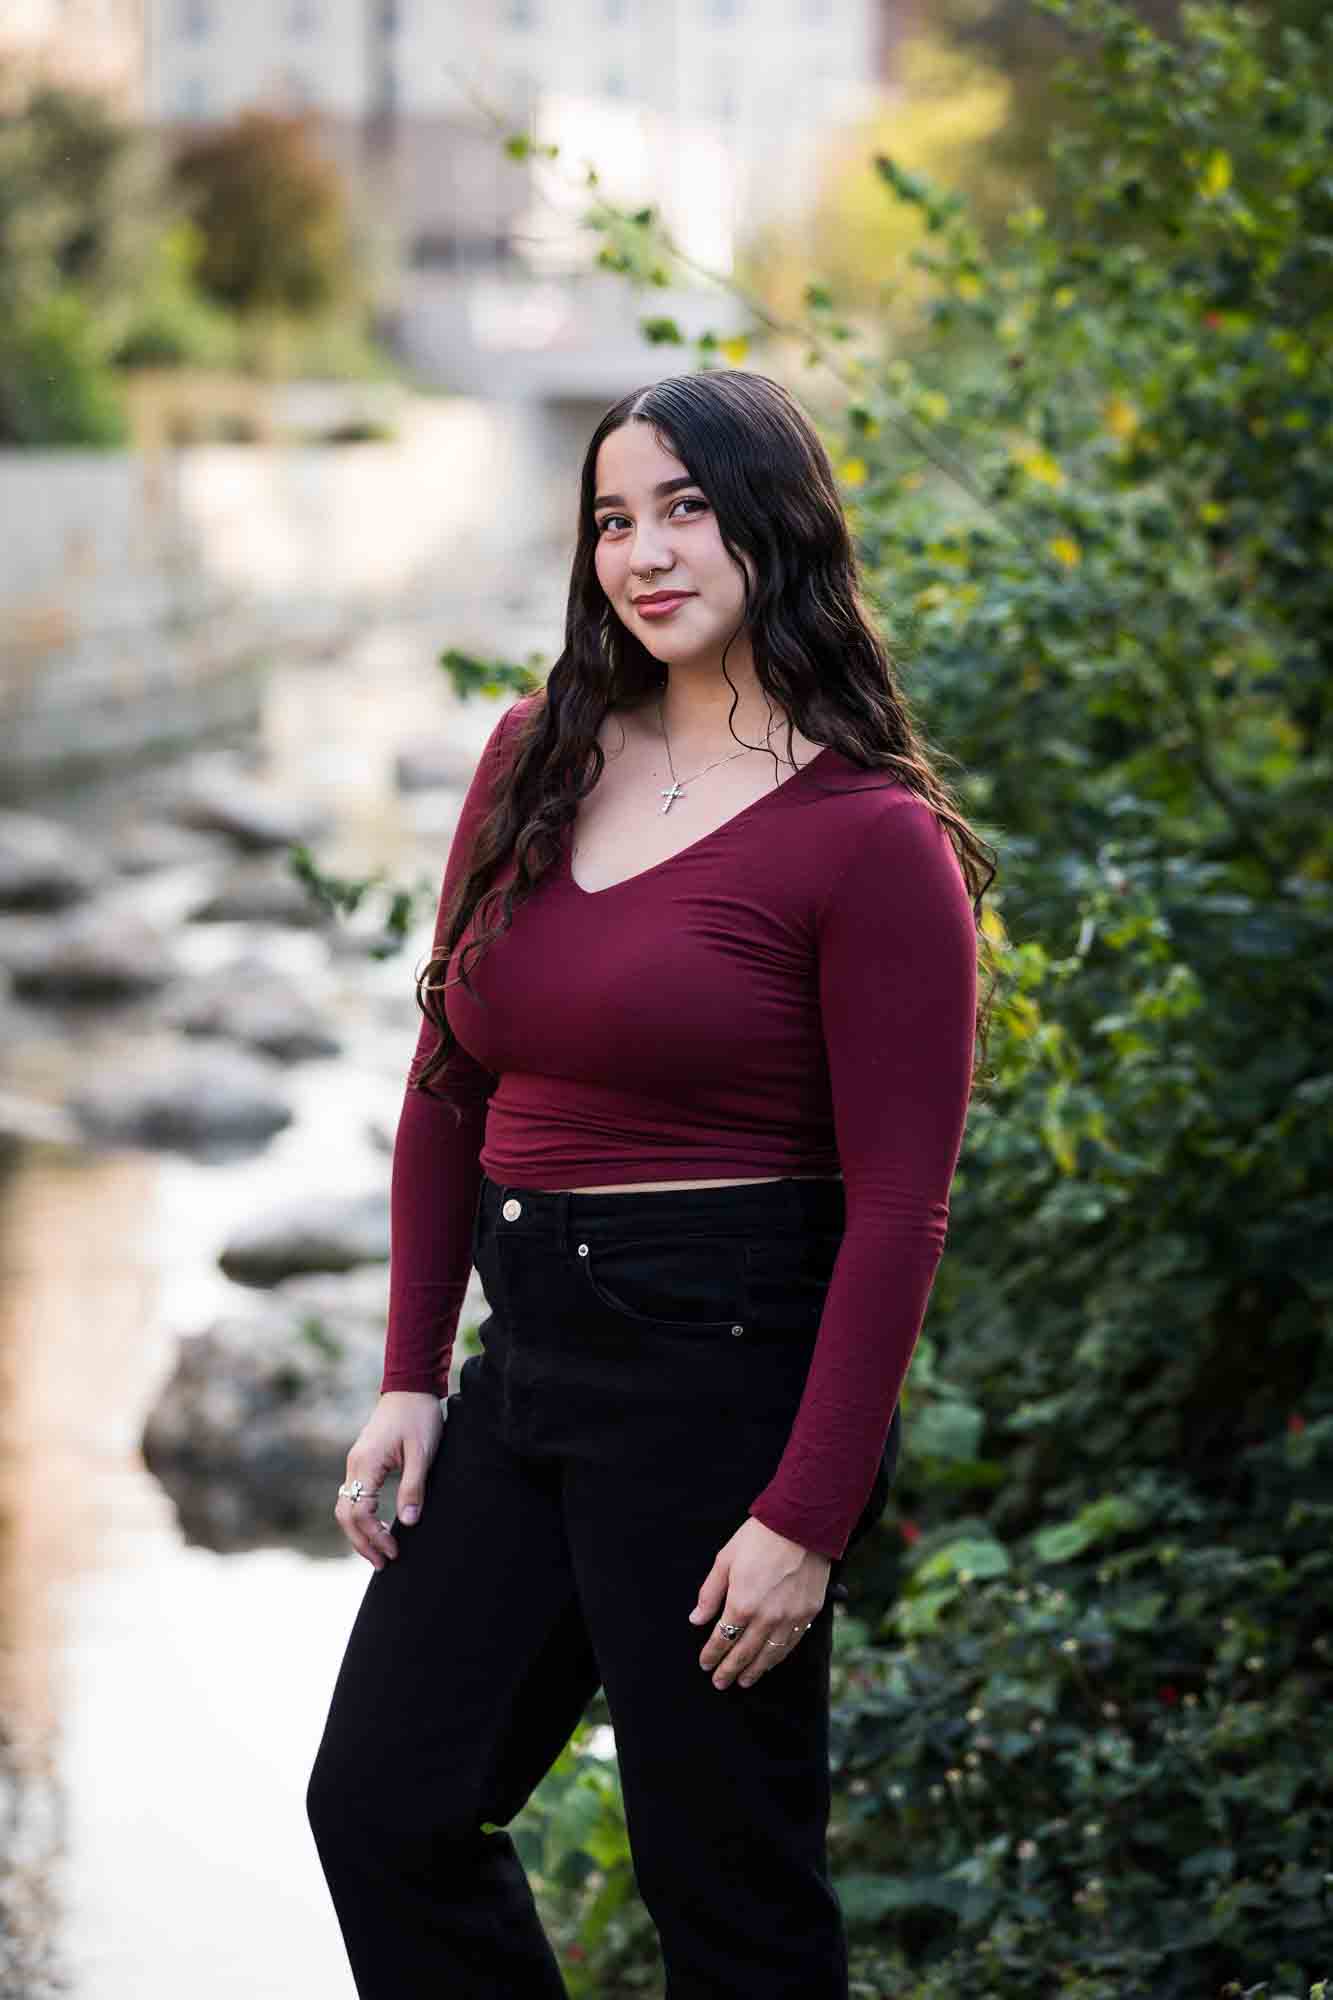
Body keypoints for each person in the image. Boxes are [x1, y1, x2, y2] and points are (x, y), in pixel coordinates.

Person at [305, 368, 995, 1999]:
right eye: (612, 517)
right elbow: (445, 1076)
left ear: (778, 522)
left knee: (729, 1900)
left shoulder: (866, 839)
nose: (643, 551)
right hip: (523, 1371)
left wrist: (804, 1519)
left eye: (685, 506)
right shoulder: (535, 753)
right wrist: (411, 1373)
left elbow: (899, 1212)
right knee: (386, 1808)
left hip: (719, 1387)